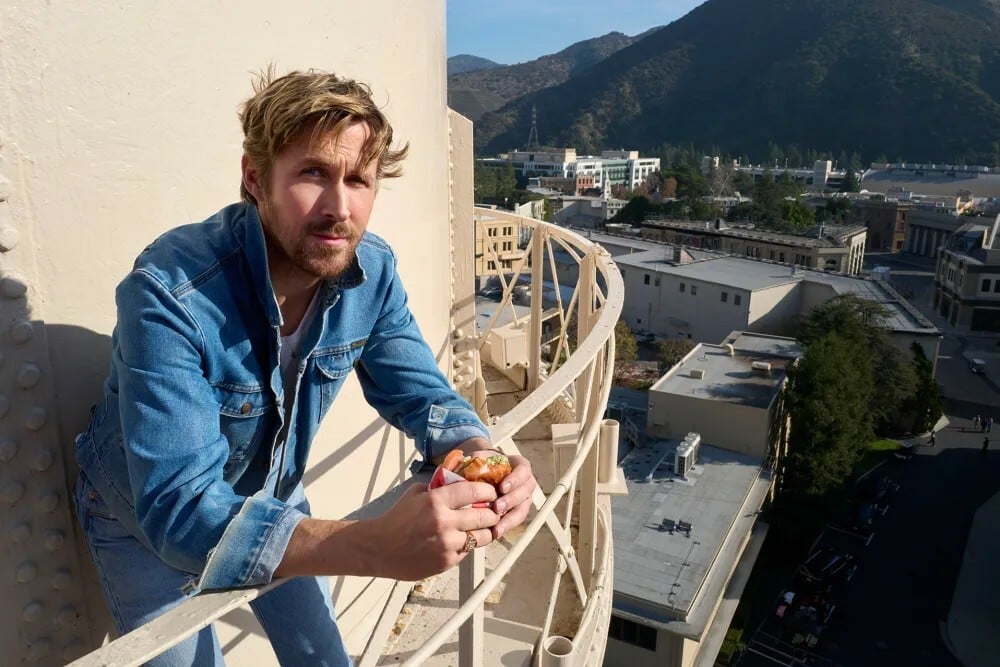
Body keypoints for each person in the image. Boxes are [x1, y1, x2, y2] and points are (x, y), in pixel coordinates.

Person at [73, 69, 537, 667]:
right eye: (314, 173)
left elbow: (422, 394)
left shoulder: (372, 273)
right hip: (140, 520)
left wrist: (480, 452)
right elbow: (181, 511)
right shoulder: (169, 293)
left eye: (359, 180)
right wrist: (371, 547)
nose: (339, 208)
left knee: (323, 659)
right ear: (254, 177)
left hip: (271, 490)